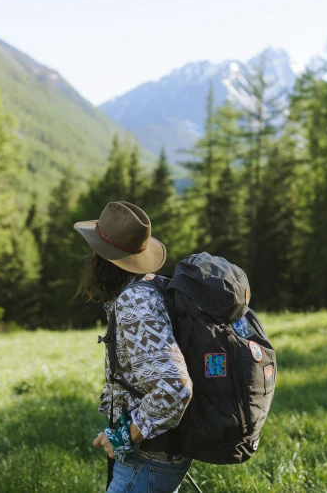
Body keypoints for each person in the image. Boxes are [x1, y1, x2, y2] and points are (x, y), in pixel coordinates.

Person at [74, 201, 194, 493]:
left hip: (148, 459)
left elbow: (174, 388)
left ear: (102, 258)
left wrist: (124, 438)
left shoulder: (135, 303)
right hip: (159, 455)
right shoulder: (151, 287)